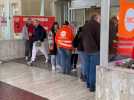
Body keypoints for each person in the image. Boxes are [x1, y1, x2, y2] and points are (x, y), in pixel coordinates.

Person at [80, 14, 100, 92]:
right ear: (96, 18)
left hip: (86, 49)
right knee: (93, 69)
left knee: (87, 67)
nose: (100, 20)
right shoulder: (97, 25)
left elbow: (82, 37)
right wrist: (99, 48)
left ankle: (88, 84)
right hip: (94, 50)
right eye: (99, 18)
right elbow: (99, 39)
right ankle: (92, 86)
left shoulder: (85, 25)